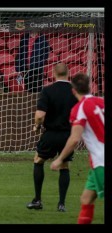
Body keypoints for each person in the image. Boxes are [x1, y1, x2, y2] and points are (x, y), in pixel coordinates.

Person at [50, 73, 104, 224]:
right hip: (96, 165)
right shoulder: (101, 101)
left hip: (102, 162)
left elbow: (74, 139)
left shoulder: (79, 109)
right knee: (86, 199)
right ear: (89, 87)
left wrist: (59, 160)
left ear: (73, 90)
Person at [26, 63, 78, 212]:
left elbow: (40, 116)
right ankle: (61, 204)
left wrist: (36, 126)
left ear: (54, 73)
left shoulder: (48, 90)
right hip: (68, 135)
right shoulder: (75, 92)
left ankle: (37, 200)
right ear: (68, 74)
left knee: (38, 160)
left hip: (51, 133)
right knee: (64, 166)